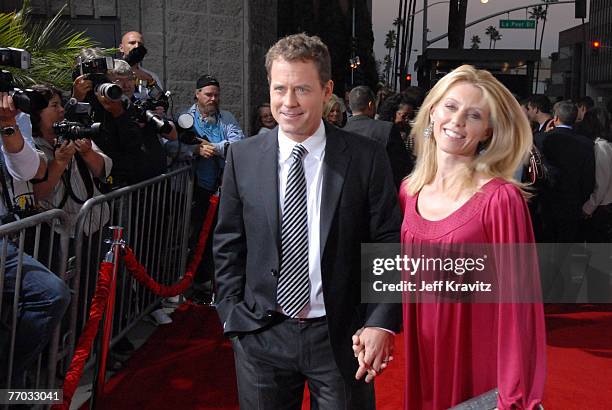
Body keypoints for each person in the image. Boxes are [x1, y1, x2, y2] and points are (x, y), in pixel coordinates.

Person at [214, 33, 401, 409]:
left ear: (327, 89)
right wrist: (233, 316)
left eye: (302, 89)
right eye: (280, 88)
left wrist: (381, 320)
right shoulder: (243, 156)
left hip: (341, 336)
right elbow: (228, 243)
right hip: (261, 334)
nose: (288, 102)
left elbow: (387, 242)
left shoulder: (366, 157)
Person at [355, 65, 546, 409]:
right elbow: (396, 275)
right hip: (424, 354)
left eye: (474, 115)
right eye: (451, 106)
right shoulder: (408, 192)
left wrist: (515, 394)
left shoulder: (501, 200)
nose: (458, 121)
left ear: (487, 131)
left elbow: (521, 309)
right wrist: (377, 327)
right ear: (432, 112)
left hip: (479, 360)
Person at [0, 92, 71, 388]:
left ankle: (9, 382)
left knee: (52, 294)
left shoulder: (17, 118)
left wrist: (8, 124)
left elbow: (29, 170)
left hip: (13, 228)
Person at [184, 74, 244, 303]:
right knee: (197, 236)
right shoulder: (185, 119)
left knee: (222, 235)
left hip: (224, 186)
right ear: (197, 94)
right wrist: (195, 151)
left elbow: (237, 143)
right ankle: (196, 281)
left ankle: (220, 281)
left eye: (216, 95)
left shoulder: (226, 117)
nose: (213, 99)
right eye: (208, 94)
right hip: (197, 188)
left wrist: (214, 148)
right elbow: (176, 146)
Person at [28, 85, 111, 237]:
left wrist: (87, 152)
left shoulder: (73, 131)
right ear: (36, 113)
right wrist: (60, 162)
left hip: (98, 221)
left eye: (61, 104)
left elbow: (104, 171)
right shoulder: (30, 147)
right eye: (54, 105)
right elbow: (36, 194)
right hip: (61, 233)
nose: (61, 110)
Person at [343, 85, 413, 189]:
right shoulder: (387, 129)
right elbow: (403, 167)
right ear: (371, 105)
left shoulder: (341, 133)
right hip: (381, 194)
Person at [119, 31, 163, 99]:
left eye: (140, 44)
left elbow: (160, 101)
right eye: (132, 43)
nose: (136, 46)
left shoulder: (151, 77)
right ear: (121, 48)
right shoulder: (110, 73)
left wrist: (150, 81)